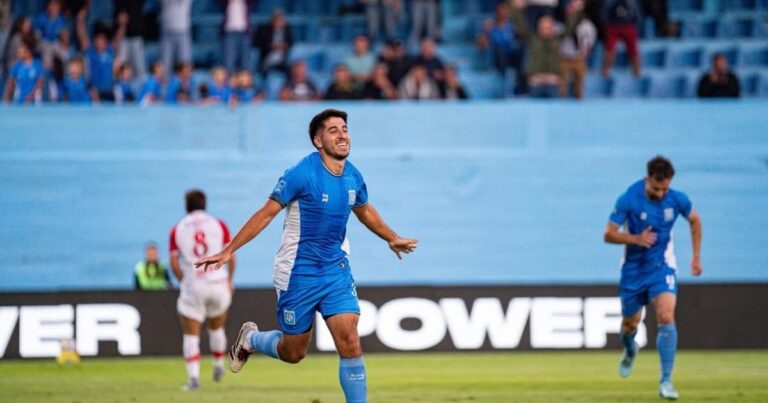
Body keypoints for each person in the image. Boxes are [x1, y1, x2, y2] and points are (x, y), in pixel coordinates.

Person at [194, 109, 418, 403]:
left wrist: (391, 237)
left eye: (345, 128)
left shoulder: (353, 175)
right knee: (293, 352)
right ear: (318, 141)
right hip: (297, 273)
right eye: (333, 130)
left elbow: (363, 209)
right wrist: (229, 250)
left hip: (335, 269)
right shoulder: (301, 173)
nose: (342, 135)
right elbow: (266, 214)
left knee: (349, 338)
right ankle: (251, 339)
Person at [603, 156, 703, 401]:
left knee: (666, 315)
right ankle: (630, 349)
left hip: (662, 267)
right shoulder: (628, 199)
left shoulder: (677, 199)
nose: (660, 193)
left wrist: (695, 257)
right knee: (630, 324)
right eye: (656, 188)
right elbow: (608, 234)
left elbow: (695, 220)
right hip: (633, 270)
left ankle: (666, 381)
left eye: (665, 188)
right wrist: (636, 239)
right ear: (647, 179)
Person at [170, 189, 236, 391]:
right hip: (218, 283)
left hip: (194, 285)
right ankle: (218, 366)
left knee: (191, 335)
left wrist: (185, 280)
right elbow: (230, 255)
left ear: (186, 205)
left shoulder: (178, 229)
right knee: (217, 328)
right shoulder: (218, 224)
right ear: (204, 204)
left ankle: (193, 379)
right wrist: (229, 280)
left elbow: (174, 262)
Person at [511, 0, 584, 98]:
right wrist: (516, 10)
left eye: (548, 27)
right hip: (535, 83)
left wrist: (576, 12)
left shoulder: (558, 39)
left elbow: (569, 27)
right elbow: (520, 26)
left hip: (553, 83)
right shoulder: (532, 39)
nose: (545, 29)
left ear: (552, 27)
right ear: (538, 27)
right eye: (543, 27)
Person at [76, 9, 127, 102]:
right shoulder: (90, 53)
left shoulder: (109, 52)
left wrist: (122, 26)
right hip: (94, 90)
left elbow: (118, 39)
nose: (99, 42)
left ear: (105, 42)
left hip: (109, 90)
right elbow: (83, 37)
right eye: (97, 39)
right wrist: (80, 22)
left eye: (101, 40)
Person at [559, 4, 597, 99]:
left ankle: (578, 96)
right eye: (569, 10)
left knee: (580, 76)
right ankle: (561, 97)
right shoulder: (561, 25)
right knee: (561, 79)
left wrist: (585, 52)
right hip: (564, 57)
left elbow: (590, 40)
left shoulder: (586, 25)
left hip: (579, 57)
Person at [601, 0, 642, 77]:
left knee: (633, 50)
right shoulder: (609, 2)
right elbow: (605, 14)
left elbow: (637, 14)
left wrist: (635, 23)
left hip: (628, 25)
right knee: (609, 50)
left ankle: (637, 72)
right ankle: (605, 72)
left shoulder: (632, 2)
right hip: (613, 26)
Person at [253, 9, 292, 79]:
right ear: (272, 19)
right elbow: (256, 42)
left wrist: (284, 46)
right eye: (276, 19)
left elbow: (291, 43)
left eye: (280, 19)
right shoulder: (264, 29)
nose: (279, 21)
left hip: (281, 61)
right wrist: (271, 46)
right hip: (267, 60)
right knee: (264, 74)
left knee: (291, 71)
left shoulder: (287, 29)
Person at [218, 0, 255, 74]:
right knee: (229, 62)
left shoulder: (247, 2)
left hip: (244, 33)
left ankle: (245, 83)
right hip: (230, 32)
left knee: (245, 62)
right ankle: (230, 83)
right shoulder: (226, 2)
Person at [115, 0, 147, 80]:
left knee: (139, 71)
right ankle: (121, 90)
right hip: (122, 36)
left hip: (136, 35)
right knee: (121, 68)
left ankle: (139, 91)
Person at [160, 0, 192, 74]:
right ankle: (165, 84)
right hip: (166, 31)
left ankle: (185, 85)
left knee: (184, 65)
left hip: (183, 31)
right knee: (165, 64)